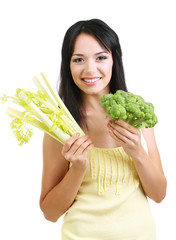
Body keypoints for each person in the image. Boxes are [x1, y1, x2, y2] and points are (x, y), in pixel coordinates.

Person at [39, 19, 167, 240]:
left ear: (114, 60)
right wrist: (77, 168)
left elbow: (159, 194)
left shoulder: (137, 117)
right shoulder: (60, 126)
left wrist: (138, 153)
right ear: (67, 65)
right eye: (79, 59)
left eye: (101, 57)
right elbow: (50, 213)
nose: (90, 69)